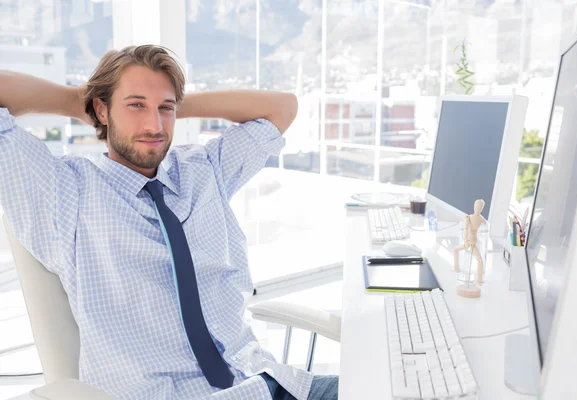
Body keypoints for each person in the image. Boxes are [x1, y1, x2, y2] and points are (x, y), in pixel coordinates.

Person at [0, 45, 338, 400]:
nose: (154, 125)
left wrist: (168, 101)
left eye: (165, 109)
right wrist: (79, 102)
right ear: (102, 109)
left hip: (264, 381)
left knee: (391, 385)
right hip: (166, 394)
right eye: (135, 106)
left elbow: (282, 108)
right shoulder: (63, 192)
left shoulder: (204, 170)